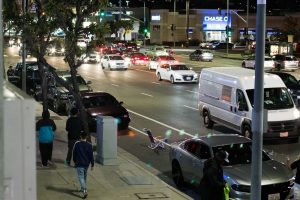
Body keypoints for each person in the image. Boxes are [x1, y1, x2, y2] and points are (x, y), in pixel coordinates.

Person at [73, 131, 94, 199]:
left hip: (79, 164)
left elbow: (74, 154)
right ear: (86, 137)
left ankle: (84, 191)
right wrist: (92, 164)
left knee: (81, 177)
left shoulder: (77, 144)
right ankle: (83, 188)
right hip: (86, 164)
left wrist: (74, 161)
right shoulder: (89, 145)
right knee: (84, 177)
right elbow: (91, 156)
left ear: (80, 136)